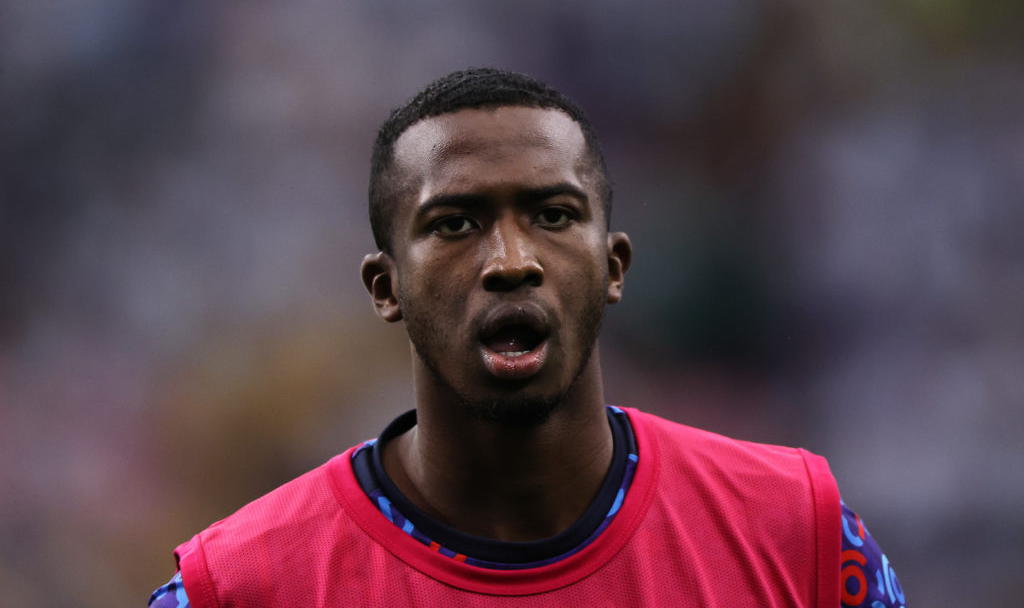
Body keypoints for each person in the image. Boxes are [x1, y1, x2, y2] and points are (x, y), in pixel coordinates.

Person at [150, 68, 905, 607]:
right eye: (455, 224)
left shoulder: (797, 533)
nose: (512, 262)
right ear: (387, 288)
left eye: (552, 215)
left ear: (613, 267)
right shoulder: (238, 587)